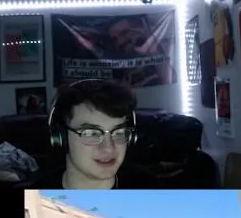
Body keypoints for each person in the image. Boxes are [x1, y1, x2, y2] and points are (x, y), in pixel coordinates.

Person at [26, 79, 155, 190]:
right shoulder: (32, 199)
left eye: (118, 132)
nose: (108, 148)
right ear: (61, 138)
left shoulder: (151, 188)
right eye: (91, 133)